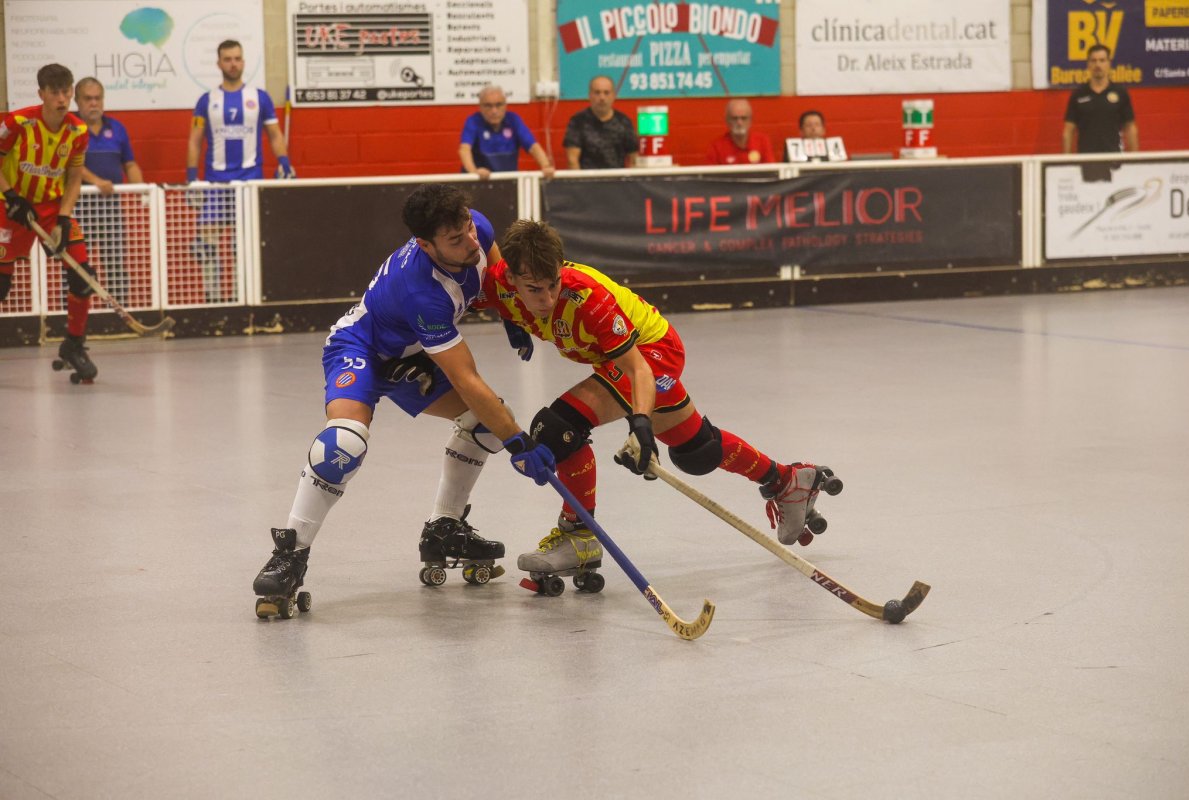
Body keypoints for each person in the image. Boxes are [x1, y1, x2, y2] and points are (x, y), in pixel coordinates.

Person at [470, 219, 839, 582]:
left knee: (556, 429)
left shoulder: (586, 298)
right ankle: (788, 481)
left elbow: (637, 371)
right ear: (512, 279)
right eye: (534, 289)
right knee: (697, 450)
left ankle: (578, 536)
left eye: (553, 285)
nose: (547, 299)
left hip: (651, 353)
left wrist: (640, 426)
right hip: (616, 360)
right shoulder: (495, 286)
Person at [251, 184, 555, 618]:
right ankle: (290, 554)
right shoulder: (423, 293)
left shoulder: (476, 228)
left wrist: (511, 317)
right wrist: (519, 443)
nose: (470, 242)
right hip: (361, 348)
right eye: (455, 240)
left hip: (411, 355)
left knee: (485, 424)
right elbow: (465, 378)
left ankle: (444, 527)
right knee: (344, 444)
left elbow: (499, 275)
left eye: (469, 227)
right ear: (425, 245)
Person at [0, 63, 98, 382]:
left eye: (66, 91)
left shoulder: (77, 131)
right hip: (8, 207)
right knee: (1, 286)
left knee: (82, 276)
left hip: (51, 208)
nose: (62, 98)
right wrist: (12, 195)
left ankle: (74, 344)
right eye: (54, 92)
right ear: (41, 94)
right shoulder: (17, 122)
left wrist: (66, 216)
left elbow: (74, 177)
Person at [186, 39, 296, 302]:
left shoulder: (260, 98)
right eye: (227, 59)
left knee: (243, 247)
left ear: (243, 62)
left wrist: (284, 162)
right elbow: (194, 140)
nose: (232, 63)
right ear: (219, 63)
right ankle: (212, 300)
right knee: (206, 246)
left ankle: (240, 298)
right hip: (215, 185)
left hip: (249, 184)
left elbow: (274, 134)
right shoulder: (206, 101)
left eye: (237, 58)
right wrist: (191, 178)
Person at [75, 77, 144, 305]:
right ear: (77, 100)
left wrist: (144, 193)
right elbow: (69, 164)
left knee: (115, 264)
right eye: (88, 99)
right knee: (76, 266)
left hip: (111, 210)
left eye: (97, 98)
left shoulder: (117, 128)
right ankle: (70, 319)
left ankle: (119, 313)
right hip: (78, 210)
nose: (93, 104)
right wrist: (96, 182)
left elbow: (130, 164)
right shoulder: (70, 128)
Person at [459, 85, 555, 180]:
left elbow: (533, 146)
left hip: (507, 181)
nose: (494, 111)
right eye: (488, 106)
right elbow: (464, 149)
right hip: (480, 181)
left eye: (498, 105)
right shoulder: (473, 121)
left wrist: (546, 165)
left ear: (505, 105)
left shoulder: (513, 120)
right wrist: (474, 172)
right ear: (480, 107)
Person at [1063, 44, 1138, 154]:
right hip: (1086, 160)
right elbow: (1068, 131)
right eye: (1093, 61)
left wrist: (1134, 160)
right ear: (1088, 64)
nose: (1098, 65)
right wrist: (1066, 162)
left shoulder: (1120, 93)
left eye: (1102, 60)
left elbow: (1130, 128)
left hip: (1115, 158)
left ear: (1109, 63)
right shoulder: (1078, 94)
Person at [563, 75, 638, 170]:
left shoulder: (624, 122)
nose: (602, 97)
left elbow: (634, 159)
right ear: (589, 95)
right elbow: (572, 160)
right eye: (597, 93)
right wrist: (579, 183)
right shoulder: (577, 121)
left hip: (618, 182)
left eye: (606, 93)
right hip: (588, 182)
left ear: (613, 96)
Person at [706, 98, 775, 166]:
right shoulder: (716, 147)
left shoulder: (762, 142)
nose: (739, 123)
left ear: (750, 120)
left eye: (744, 118)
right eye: (734, 118)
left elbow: (772, 172)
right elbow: (710, 176)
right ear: (727, 120)